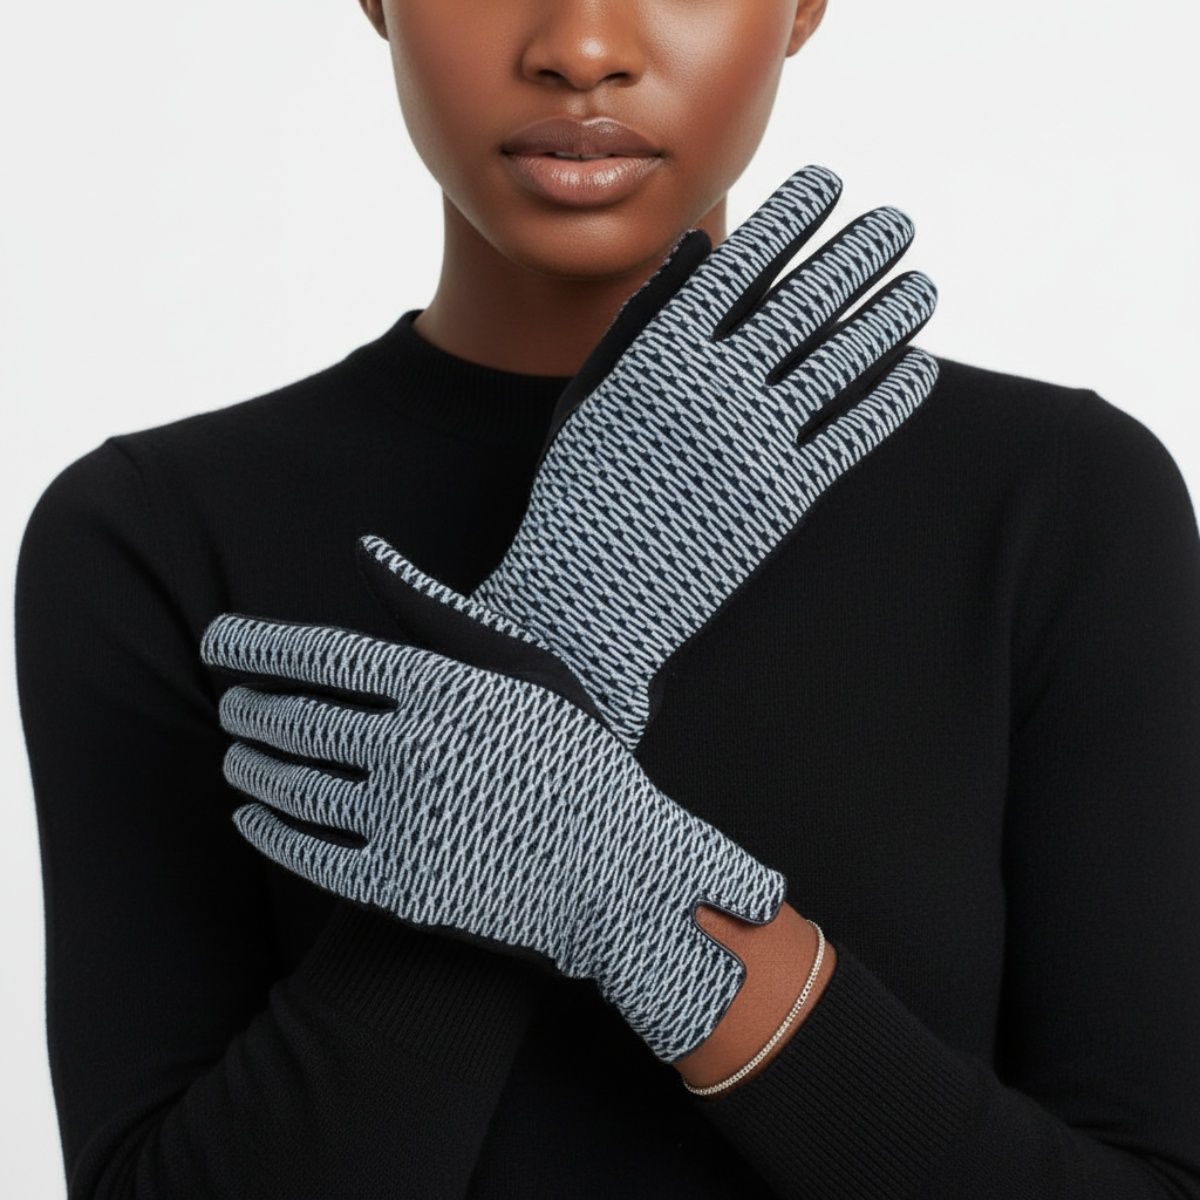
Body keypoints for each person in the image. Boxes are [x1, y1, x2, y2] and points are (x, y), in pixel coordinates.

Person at [14, 1, 1200, 1197]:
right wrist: (555, 655)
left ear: (803, 8)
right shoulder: (153, 536)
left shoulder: (1055, 502)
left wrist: (645, 913)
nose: (581, 48)